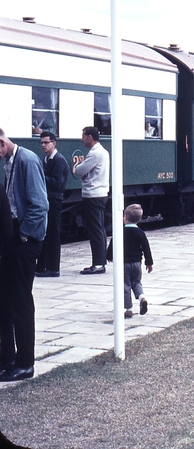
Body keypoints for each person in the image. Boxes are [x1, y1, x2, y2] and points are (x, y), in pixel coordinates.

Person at [0, 128, 48, 382]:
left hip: (26, 238)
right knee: (8, 300)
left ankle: (25, 363)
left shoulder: (27, 160)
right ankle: (9, 359)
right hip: (16, 235)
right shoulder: (11, 160)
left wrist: (23, 234)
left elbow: (40, 205)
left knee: (20, 301)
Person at [73, 126, 110, 275]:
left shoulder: (95, 154)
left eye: (83, 136)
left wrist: (76, 166)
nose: (82, 139)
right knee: (98, 229)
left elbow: (79, 171)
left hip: (93, 195)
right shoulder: (102, 152)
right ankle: (100, 261)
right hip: (99, 194)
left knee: (95, 230)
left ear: (90, 137)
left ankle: (99, 264)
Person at [106, 204, 153, 319]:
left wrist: (109, 256)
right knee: (136, 282)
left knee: (125, 285)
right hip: (137, 263)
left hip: (124, 264)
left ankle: (129, 309)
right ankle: (142, 297)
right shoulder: (140, 233)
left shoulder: (120, 232)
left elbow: (113, 244)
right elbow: (146, 248)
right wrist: (149, 263)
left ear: (125, 217)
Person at [35, 132, 69, 278]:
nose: (43, 145)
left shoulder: (59, 160)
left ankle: (53, 268)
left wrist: (40, 175)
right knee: (46, 232)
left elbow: (57, 183)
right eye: (41, 143)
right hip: (48, 199)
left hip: (54, 199)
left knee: (53, 233)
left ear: (54, 143)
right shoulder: (47, 159)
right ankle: (42, 266)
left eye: (46, 142)